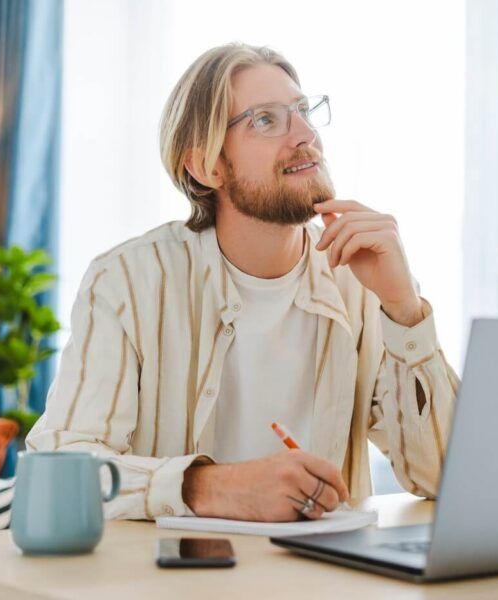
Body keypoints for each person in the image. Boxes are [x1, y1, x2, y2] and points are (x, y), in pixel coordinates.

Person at [27, 42, 459, 522]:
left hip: (327, 582)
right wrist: (208, 487)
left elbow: (444, 476)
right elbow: (60, 466)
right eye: (266, 120)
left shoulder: (360, 282)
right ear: (207, 167)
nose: (305, 134)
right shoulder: (128, 280)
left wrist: (403, 307)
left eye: (302, 110)